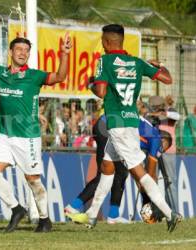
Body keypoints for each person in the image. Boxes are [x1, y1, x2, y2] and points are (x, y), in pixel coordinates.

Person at [0, 15, 72, 232]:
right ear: (10, 52)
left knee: (33, 180)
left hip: (28, 137)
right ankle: (16, 209)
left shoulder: (34, 76)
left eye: (26, 51)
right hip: (4, 136)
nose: (22, 53)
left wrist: (65, 54)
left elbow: (59, 76)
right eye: (18, 50)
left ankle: (45, 219)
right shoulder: (1, 73)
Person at [70, 24, 181, 233]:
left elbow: (101, 91)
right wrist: (158, 65)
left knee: (139, 173)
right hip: (131, 121)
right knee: (107, 167)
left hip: (116, 124)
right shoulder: (137, 62)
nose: (102, 45)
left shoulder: (105, 61)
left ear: (108, 42)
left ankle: (169, 212)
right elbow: (167, 78)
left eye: (103, 41)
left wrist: (91, 84)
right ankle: (92, 215)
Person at [65, 115, 173, 224]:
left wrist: (146, 199)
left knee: (121, 173)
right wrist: (153, 202)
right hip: (109, 127)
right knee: (105, 175)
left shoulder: (145, 135)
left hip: (107, 125)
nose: (161, 151)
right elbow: (150, 174)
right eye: (163, 147)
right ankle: (73, 207)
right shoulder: (155, 139)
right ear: (162, 138)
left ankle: (113, 215)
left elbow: (137, 173)